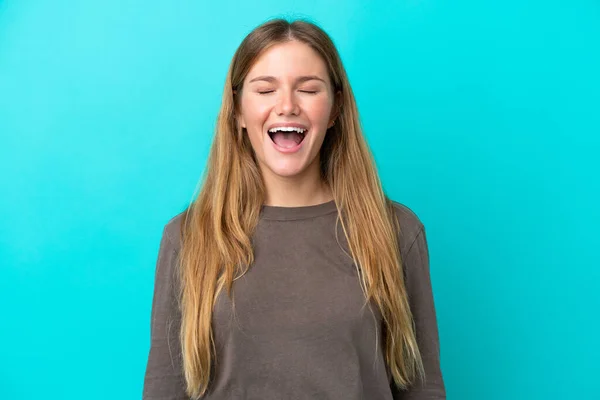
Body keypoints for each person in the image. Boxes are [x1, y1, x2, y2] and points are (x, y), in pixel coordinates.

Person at [142, 18, 445, 400]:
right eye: (265, 89)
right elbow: (165, 389)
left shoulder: (395, 230)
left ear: (335, 109)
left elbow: (423, 388)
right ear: (237, 111)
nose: (286, 106)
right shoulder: (189, 237)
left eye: (308, 89)